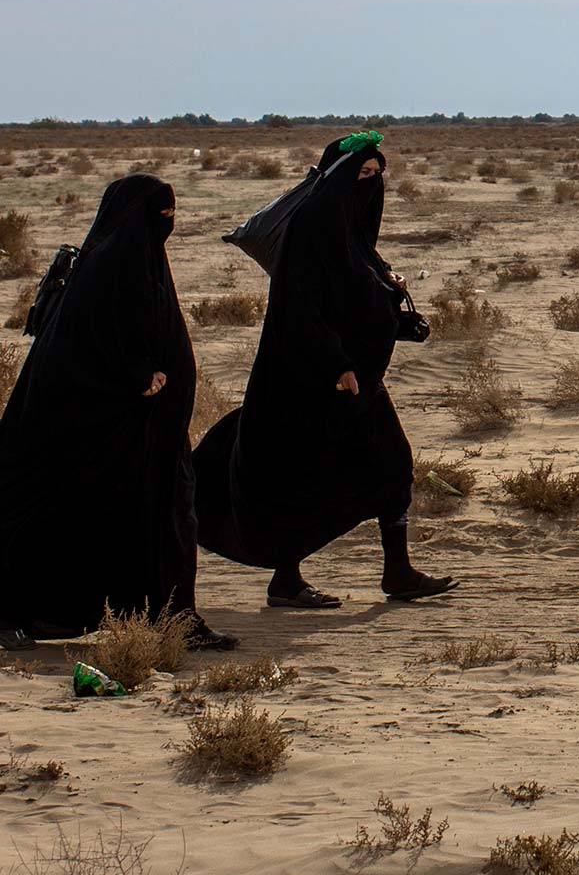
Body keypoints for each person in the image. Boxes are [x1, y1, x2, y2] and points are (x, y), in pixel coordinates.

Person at [0, 173, 231, 650]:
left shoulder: (138, 260)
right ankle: (36, 612)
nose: (167, 221)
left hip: (147, 433)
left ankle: (168, 620)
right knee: (90, 522)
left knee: (148, 522)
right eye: (160, 213)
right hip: (114, 430)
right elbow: (85, 345)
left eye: (173, 212)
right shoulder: (109, 267)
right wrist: (137, 374)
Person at [194, 130, 457, 607]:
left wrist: (389, 290)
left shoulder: (350, 231)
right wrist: (335, 363)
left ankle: (397, 571)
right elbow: (299, 306)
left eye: (375, 175)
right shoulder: (312, 226)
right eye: (361, 174)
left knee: (393, 462)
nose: (369, 184)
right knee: (299, 477)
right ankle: (287, 578)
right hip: (312, 382)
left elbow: (351, 291)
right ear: (337, 177)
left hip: (358, 380)